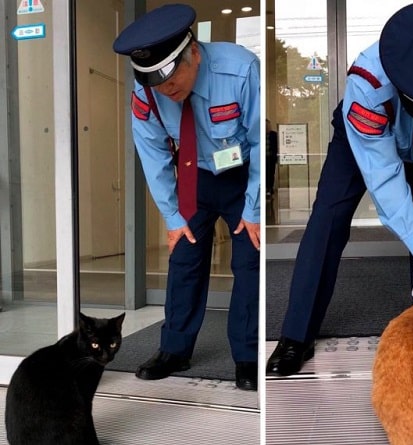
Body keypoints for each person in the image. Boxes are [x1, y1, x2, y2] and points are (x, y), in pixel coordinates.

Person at [267, 1, 413, 376]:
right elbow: (384, 175)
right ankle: (296, 335)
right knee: (327, 219)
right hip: (365, 138)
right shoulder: (368, 84)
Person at [112, 4, 260, 391]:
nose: (167, 89)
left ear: (193, 51)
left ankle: (247, 356)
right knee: (184, 260)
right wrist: (172, 217)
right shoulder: (146, 93)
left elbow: (260, 141)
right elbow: (153, 153)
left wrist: (255, 207)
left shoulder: (241, 69)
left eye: (172, 76)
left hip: (241, 176)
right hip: (193, 176)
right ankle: (174, 350)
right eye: (156, 82)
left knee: (248, 261)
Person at [266, 119, 279, 198]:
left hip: (271, 157)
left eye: (267, 125)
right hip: (263, 158)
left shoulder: (274, 135)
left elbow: (277, 146)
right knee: (265, 173)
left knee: (271, 173)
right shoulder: (259, 134)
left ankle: (270, 188)